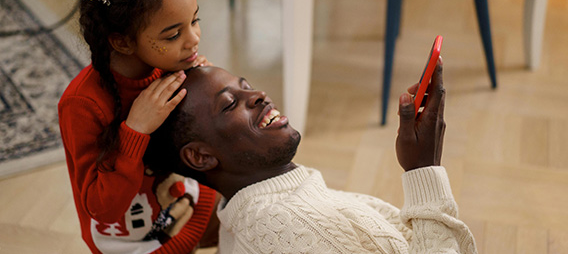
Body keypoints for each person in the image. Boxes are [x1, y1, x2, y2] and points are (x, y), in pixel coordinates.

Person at [146, 61, 478, 253]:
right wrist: (424, 169)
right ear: (201, 156)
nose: (258, 95)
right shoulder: (287, 228)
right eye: (230, 103)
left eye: (244, 85)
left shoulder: (255, 211)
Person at [57, 0, 218, 253]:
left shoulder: (168, 66)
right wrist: (135, 130)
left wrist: (202, 89)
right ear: (122, 42)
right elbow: (101, 208)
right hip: (133, 241)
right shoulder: (82, 104)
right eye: (173, 34)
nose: (194, 39)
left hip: (185, 202)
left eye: (194, 20)